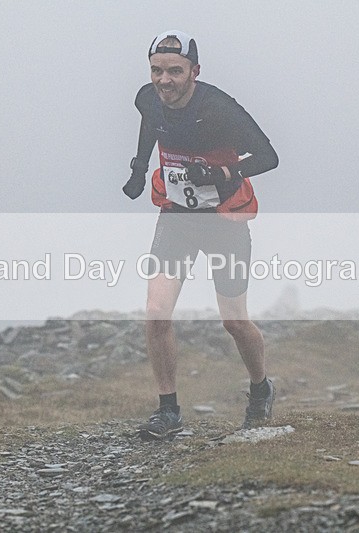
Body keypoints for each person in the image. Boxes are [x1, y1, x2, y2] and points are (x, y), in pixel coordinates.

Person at [122, 30, 279, 440]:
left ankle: (261, 388)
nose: (164, 80)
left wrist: (222, 173)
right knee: (157, 313)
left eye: (174, 71)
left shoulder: (220, 109)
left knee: (234, 322)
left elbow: (268, 157)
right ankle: (168, 411)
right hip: (176, 217)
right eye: (157, 70)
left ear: (195, 71)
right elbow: (150, 124)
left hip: (224, 221)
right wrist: (139, 168)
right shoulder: (147, 98)